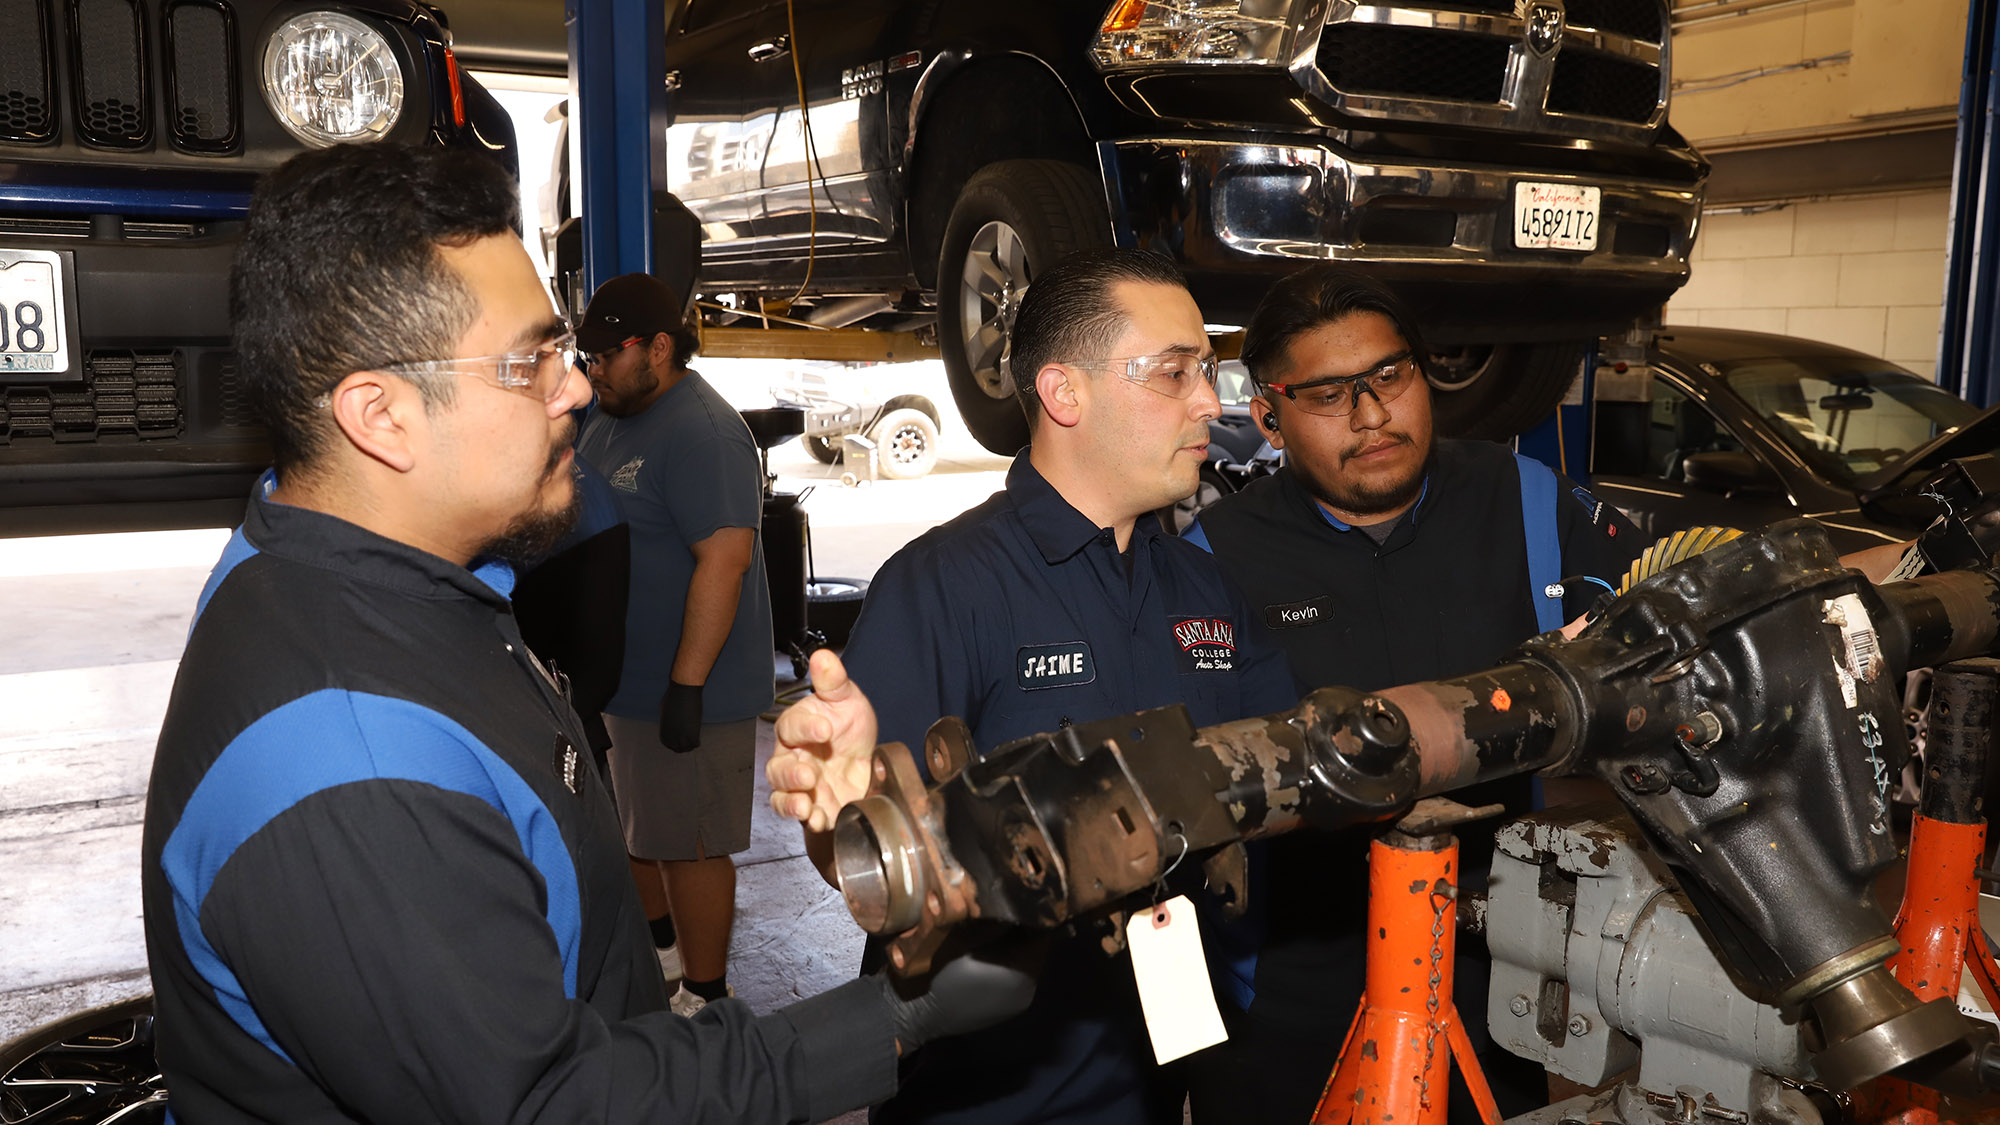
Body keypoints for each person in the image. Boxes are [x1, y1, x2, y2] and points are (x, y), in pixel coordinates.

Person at [140, 141, 1030, 1122]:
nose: (570, 387)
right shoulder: (348, 767)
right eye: (528, 362)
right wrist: (890, 1021)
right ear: (380, 417)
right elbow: (555, 1104)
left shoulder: (388, 578)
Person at [796, 248, 1301, 1125]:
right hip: (990, 1092)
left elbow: (1289, 762)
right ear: (1066, 394)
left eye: (1207, 370)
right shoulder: (943, 587)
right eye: (1175, 372)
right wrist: (836, 818)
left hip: (1154, 1077)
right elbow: (867, 853)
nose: (1209, 402)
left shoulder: (1200, 585)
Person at [1185, 263, 1644, 1120]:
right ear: (1269, 417)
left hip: (1493, 973)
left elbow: (1648, 636)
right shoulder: (1214, 557)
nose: (1371, 415)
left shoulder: (1525, 499)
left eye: (1390, 376)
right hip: (1284, 993)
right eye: (1326, 395)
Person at [576, 273, 773, 1015]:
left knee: (689, 844)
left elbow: (724, 560)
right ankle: (659, 955)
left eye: (607, 354)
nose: (594, 369)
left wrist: (687, 684)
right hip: (622, 682)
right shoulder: (610, 416)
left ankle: (707, 994)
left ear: (659, 347)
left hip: (686, 687)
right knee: (637, 829)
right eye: (587, 355)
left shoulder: (704, 432)